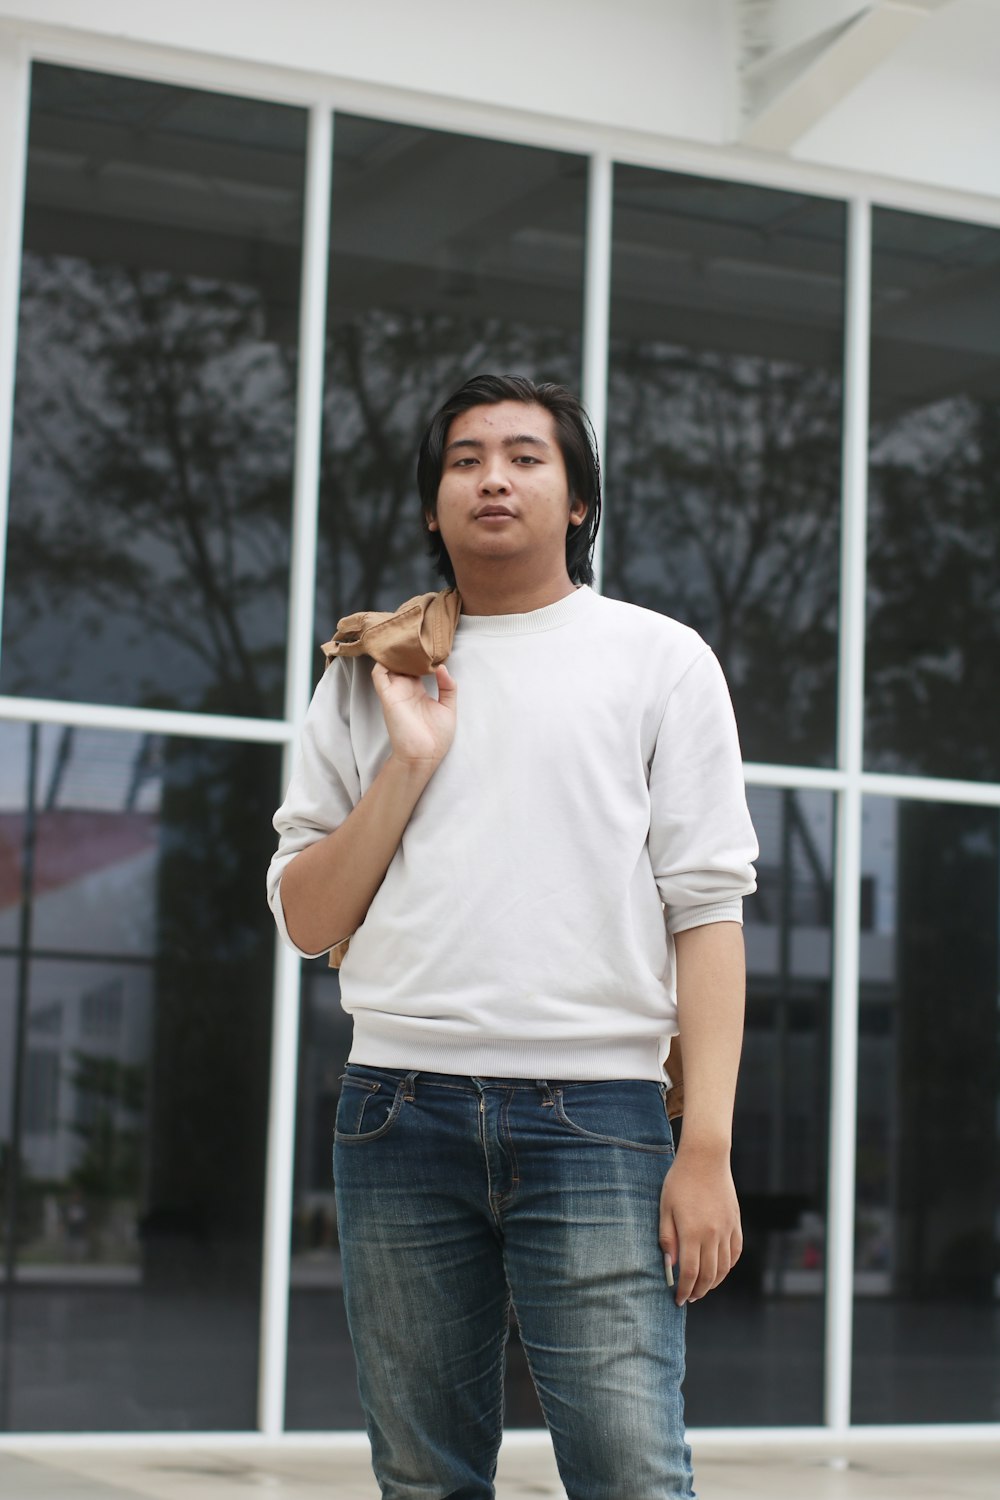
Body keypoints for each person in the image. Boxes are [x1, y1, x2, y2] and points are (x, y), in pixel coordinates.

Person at [267, 374, 758, 1500]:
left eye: (527, 457)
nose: (494, 476)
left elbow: (707, 912)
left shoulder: (658, 661)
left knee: (632, 1473)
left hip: (599, 1117)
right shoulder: (369, 671)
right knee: (425, 1479)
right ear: (433, 507)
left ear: (578, 501)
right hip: (397, 1108)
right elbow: (307, 920)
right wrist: (409, 759)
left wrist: (707, 1149)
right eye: (465, 459)